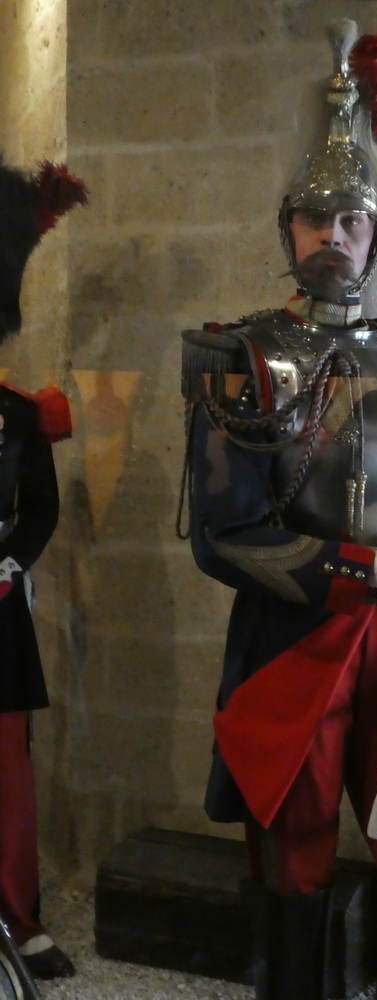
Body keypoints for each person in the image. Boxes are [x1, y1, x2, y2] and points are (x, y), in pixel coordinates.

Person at [179, 22, 377, 1000]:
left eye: (351, 219)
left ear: (375, 233)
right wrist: (366, 568)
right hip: (292, 644)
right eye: (314, 218)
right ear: (289, 229)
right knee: (296, 862)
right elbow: (223, 537)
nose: (332, 236)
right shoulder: (235, 357)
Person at [0, 155, 87, 981]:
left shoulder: (21, 418)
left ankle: (16, 917)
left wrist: (6, 560)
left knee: (6, 771)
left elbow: (41, 511)